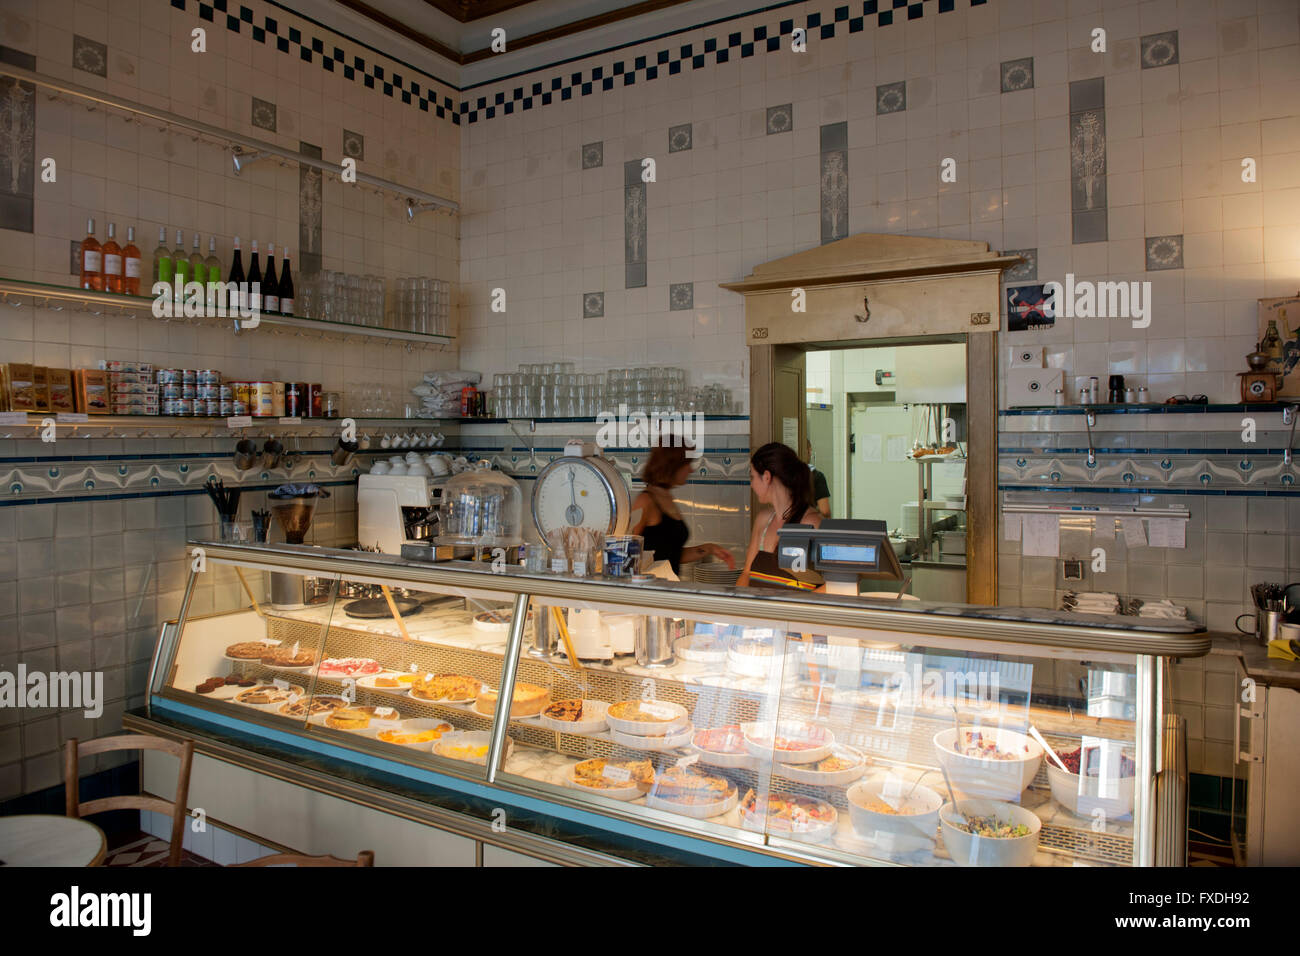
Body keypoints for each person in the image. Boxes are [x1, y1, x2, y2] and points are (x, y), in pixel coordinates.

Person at [630, 443, 736, 576]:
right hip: (652, 590)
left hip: (668, 587)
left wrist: (710, 548)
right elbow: (627, 554)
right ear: (673, 466)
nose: (691, 470)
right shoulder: (645, 501)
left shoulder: (666, 497)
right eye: (687, 464)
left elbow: (671, 554)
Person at [737, 441, 824, 588]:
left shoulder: (813, 524)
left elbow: (831, 586)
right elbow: (747, 573)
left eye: (752, 477)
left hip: (795, 611)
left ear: (766, 477)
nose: (751, 485)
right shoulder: (763, 520)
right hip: (759, 610)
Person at [805, 437, 830, 517]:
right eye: (810, 450)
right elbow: (825, 512)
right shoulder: (817, 476)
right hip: (809, 526)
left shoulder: (784, 476)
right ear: (808, 451)